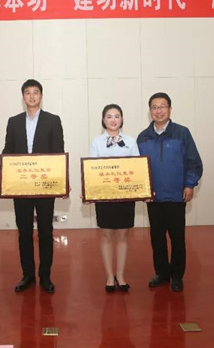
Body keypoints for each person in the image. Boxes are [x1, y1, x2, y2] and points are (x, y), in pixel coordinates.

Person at [2, 79, 64, 293]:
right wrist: (4, 168)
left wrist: (61, 180)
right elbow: (8, 149)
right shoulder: (14, 121)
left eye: (35, 92)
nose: (31, 96)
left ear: (41, 96)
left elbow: (58, 152)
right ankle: (27, 275)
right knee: (24, 231)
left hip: (45, 185)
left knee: (46, 230)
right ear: (23, 97)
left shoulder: (53, 120)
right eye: (27, 92)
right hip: (21, 185)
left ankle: (45, 276)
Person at [137, 93, 203, 292]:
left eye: (162, 106)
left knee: (177, 238)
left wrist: (189, 185)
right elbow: (135, 169)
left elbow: (193, 162)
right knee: (156, 238)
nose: (158, 111)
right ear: (150, 111)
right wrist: (141, 190)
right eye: (154, 107)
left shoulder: (182, 133)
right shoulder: (143, 137)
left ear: (170, 109)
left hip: (176, 196)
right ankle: (162, 274)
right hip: (153, 197)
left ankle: (176, 276)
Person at [89, 104, 140, 293]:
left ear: (122, 119)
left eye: (117, 116)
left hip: (125, 195)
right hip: (104, 196)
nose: (113, 120)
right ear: (103, 120)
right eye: (109, 116)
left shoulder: (131, 141)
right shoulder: (96, 142)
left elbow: (137, 168)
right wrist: (89, 190)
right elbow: (92, 170)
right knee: (106, 235)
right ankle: (110, 276)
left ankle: (121, 274)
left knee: (123, 236)